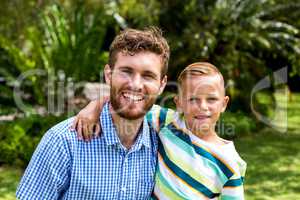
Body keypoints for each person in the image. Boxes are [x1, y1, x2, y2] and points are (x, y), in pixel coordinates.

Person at [16, 27, 170, 199]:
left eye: (148, 75)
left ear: (162, 84)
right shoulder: (63, 142)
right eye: (126, 71)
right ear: (108, 74)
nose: (135, 84)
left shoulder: (164, 144)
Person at [73, 62, 247, 199]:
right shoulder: (168, 122)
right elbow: (129, 103)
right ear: (179, 103)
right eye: (193, 99)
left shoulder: (230, 164)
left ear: (224, 104)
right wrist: (94, 106)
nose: (202, 107)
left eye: (211, 99)